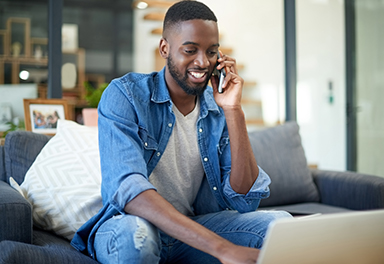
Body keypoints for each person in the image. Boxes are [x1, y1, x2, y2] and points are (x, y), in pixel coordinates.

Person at [71, 1, 291, 263]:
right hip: (132, 224)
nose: (202, 62)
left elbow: (245, 201)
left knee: (279, 225)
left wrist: (234, 110)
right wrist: (222, 248)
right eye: (190, 50)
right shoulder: (125, 95)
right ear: (165, 48)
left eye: (212, 52)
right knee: (136, 238)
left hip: (193, 228)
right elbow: (129, 191)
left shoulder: (217, 110)